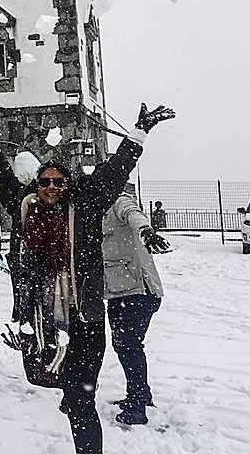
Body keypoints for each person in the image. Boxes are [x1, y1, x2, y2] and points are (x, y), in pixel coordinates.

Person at [0, 103, 175, 454]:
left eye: (58, 182)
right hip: (42, 320)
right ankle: (73, 392)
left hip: (84, 320)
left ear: (68, 185)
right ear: (37, 184)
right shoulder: (23, 207)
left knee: (82, 403)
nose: (51, 187)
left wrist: (140, 132)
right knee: (56, 385)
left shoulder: (85, 205)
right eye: (45, 181)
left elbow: (115, 171)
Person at [102, 182, 170, 426]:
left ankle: (137, 405)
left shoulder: (119, 201)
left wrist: (146, 231)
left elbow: (134, 214)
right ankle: (141, 393)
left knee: (128, 345)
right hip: (120, 292)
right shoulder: (96, 206)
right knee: (127, 345)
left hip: (139, 292)